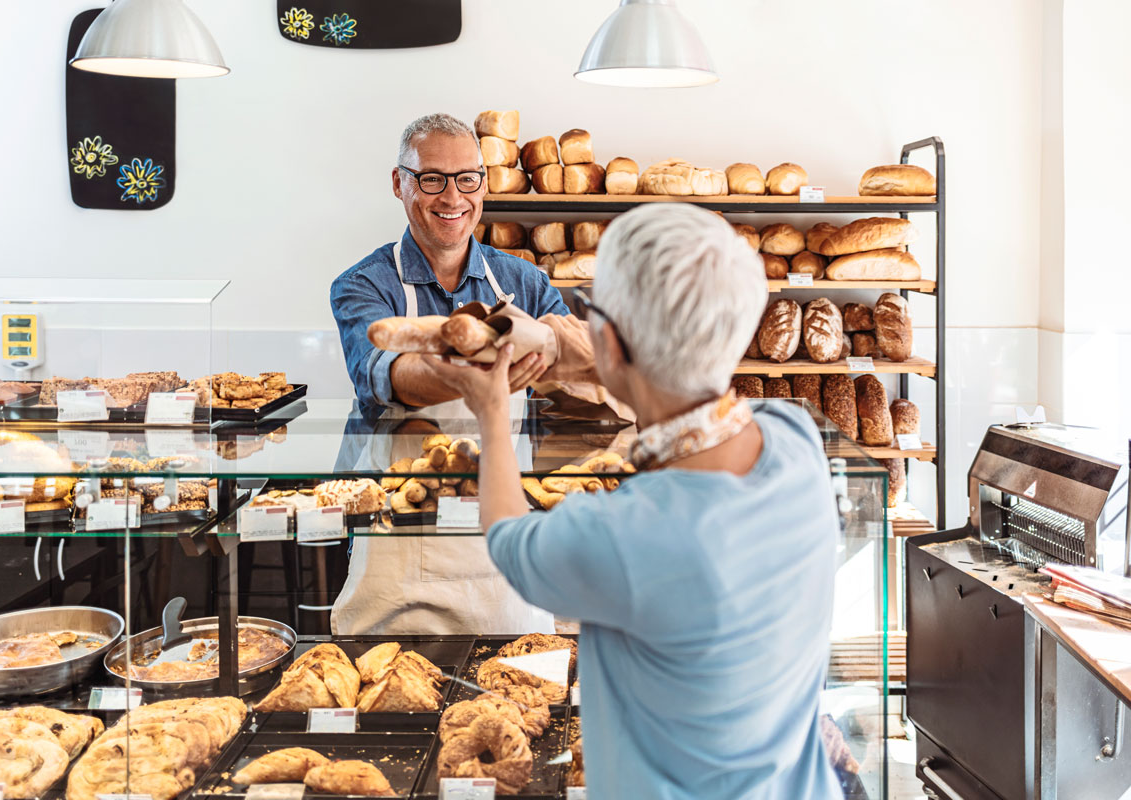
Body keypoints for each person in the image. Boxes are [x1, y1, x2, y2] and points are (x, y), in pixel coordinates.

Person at [425, 203, 843, 799]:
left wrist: (491, 412)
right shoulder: (795, 439)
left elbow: (506, 535)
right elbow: (683, 391)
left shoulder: (624, 534)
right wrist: (571, 344)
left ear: (612, 343)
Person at [327, 113, 590, 636]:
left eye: (467, 178)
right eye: (432, 179)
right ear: (400, 183)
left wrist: (555, 348)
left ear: (483, 184)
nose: (453, 198)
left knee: (512, 694)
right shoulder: (362, 285)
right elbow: (391, 377)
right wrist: (490, 372)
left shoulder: (523, 282)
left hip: (501, 539)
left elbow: (578, 358)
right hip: (399, 541)